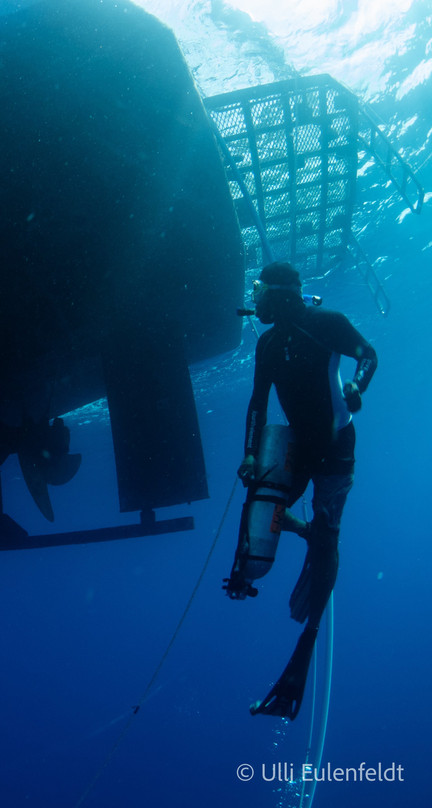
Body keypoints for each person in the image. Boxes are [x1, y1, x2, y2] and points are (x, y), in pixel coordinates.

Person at [236, 261, 377, 719]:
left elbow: (368, 354)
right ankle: (289, 544)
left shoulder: (327, 324)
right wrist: (251, 456)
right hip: (300, 446)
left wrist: (357, 386)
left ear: (279, 294)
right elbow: (258, 404)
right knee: (262, 501)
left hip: (337, 445)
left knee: (328, 533)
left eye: (259, 291)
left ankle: (310, 630)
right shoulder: (269, 344)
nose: (255, 300)